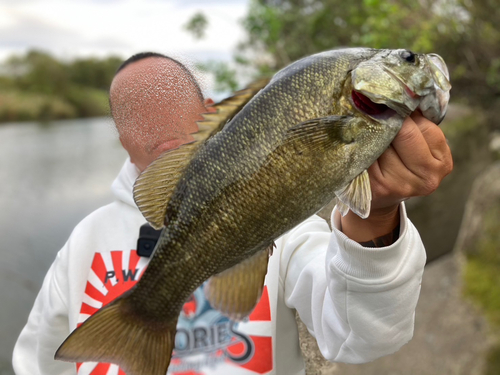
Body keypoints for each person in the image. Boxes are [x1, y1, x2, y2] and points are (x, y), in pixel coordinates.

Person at [12, 52, 453, 375]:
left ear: (214, 114)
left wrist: (375, 218)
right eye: (134, 117)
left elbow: (364, 336)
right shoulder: (83, 244)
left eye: (170, 102)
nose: (156, 129)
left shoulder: (292, 229)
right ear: (121, 139)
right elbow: (34, 363)